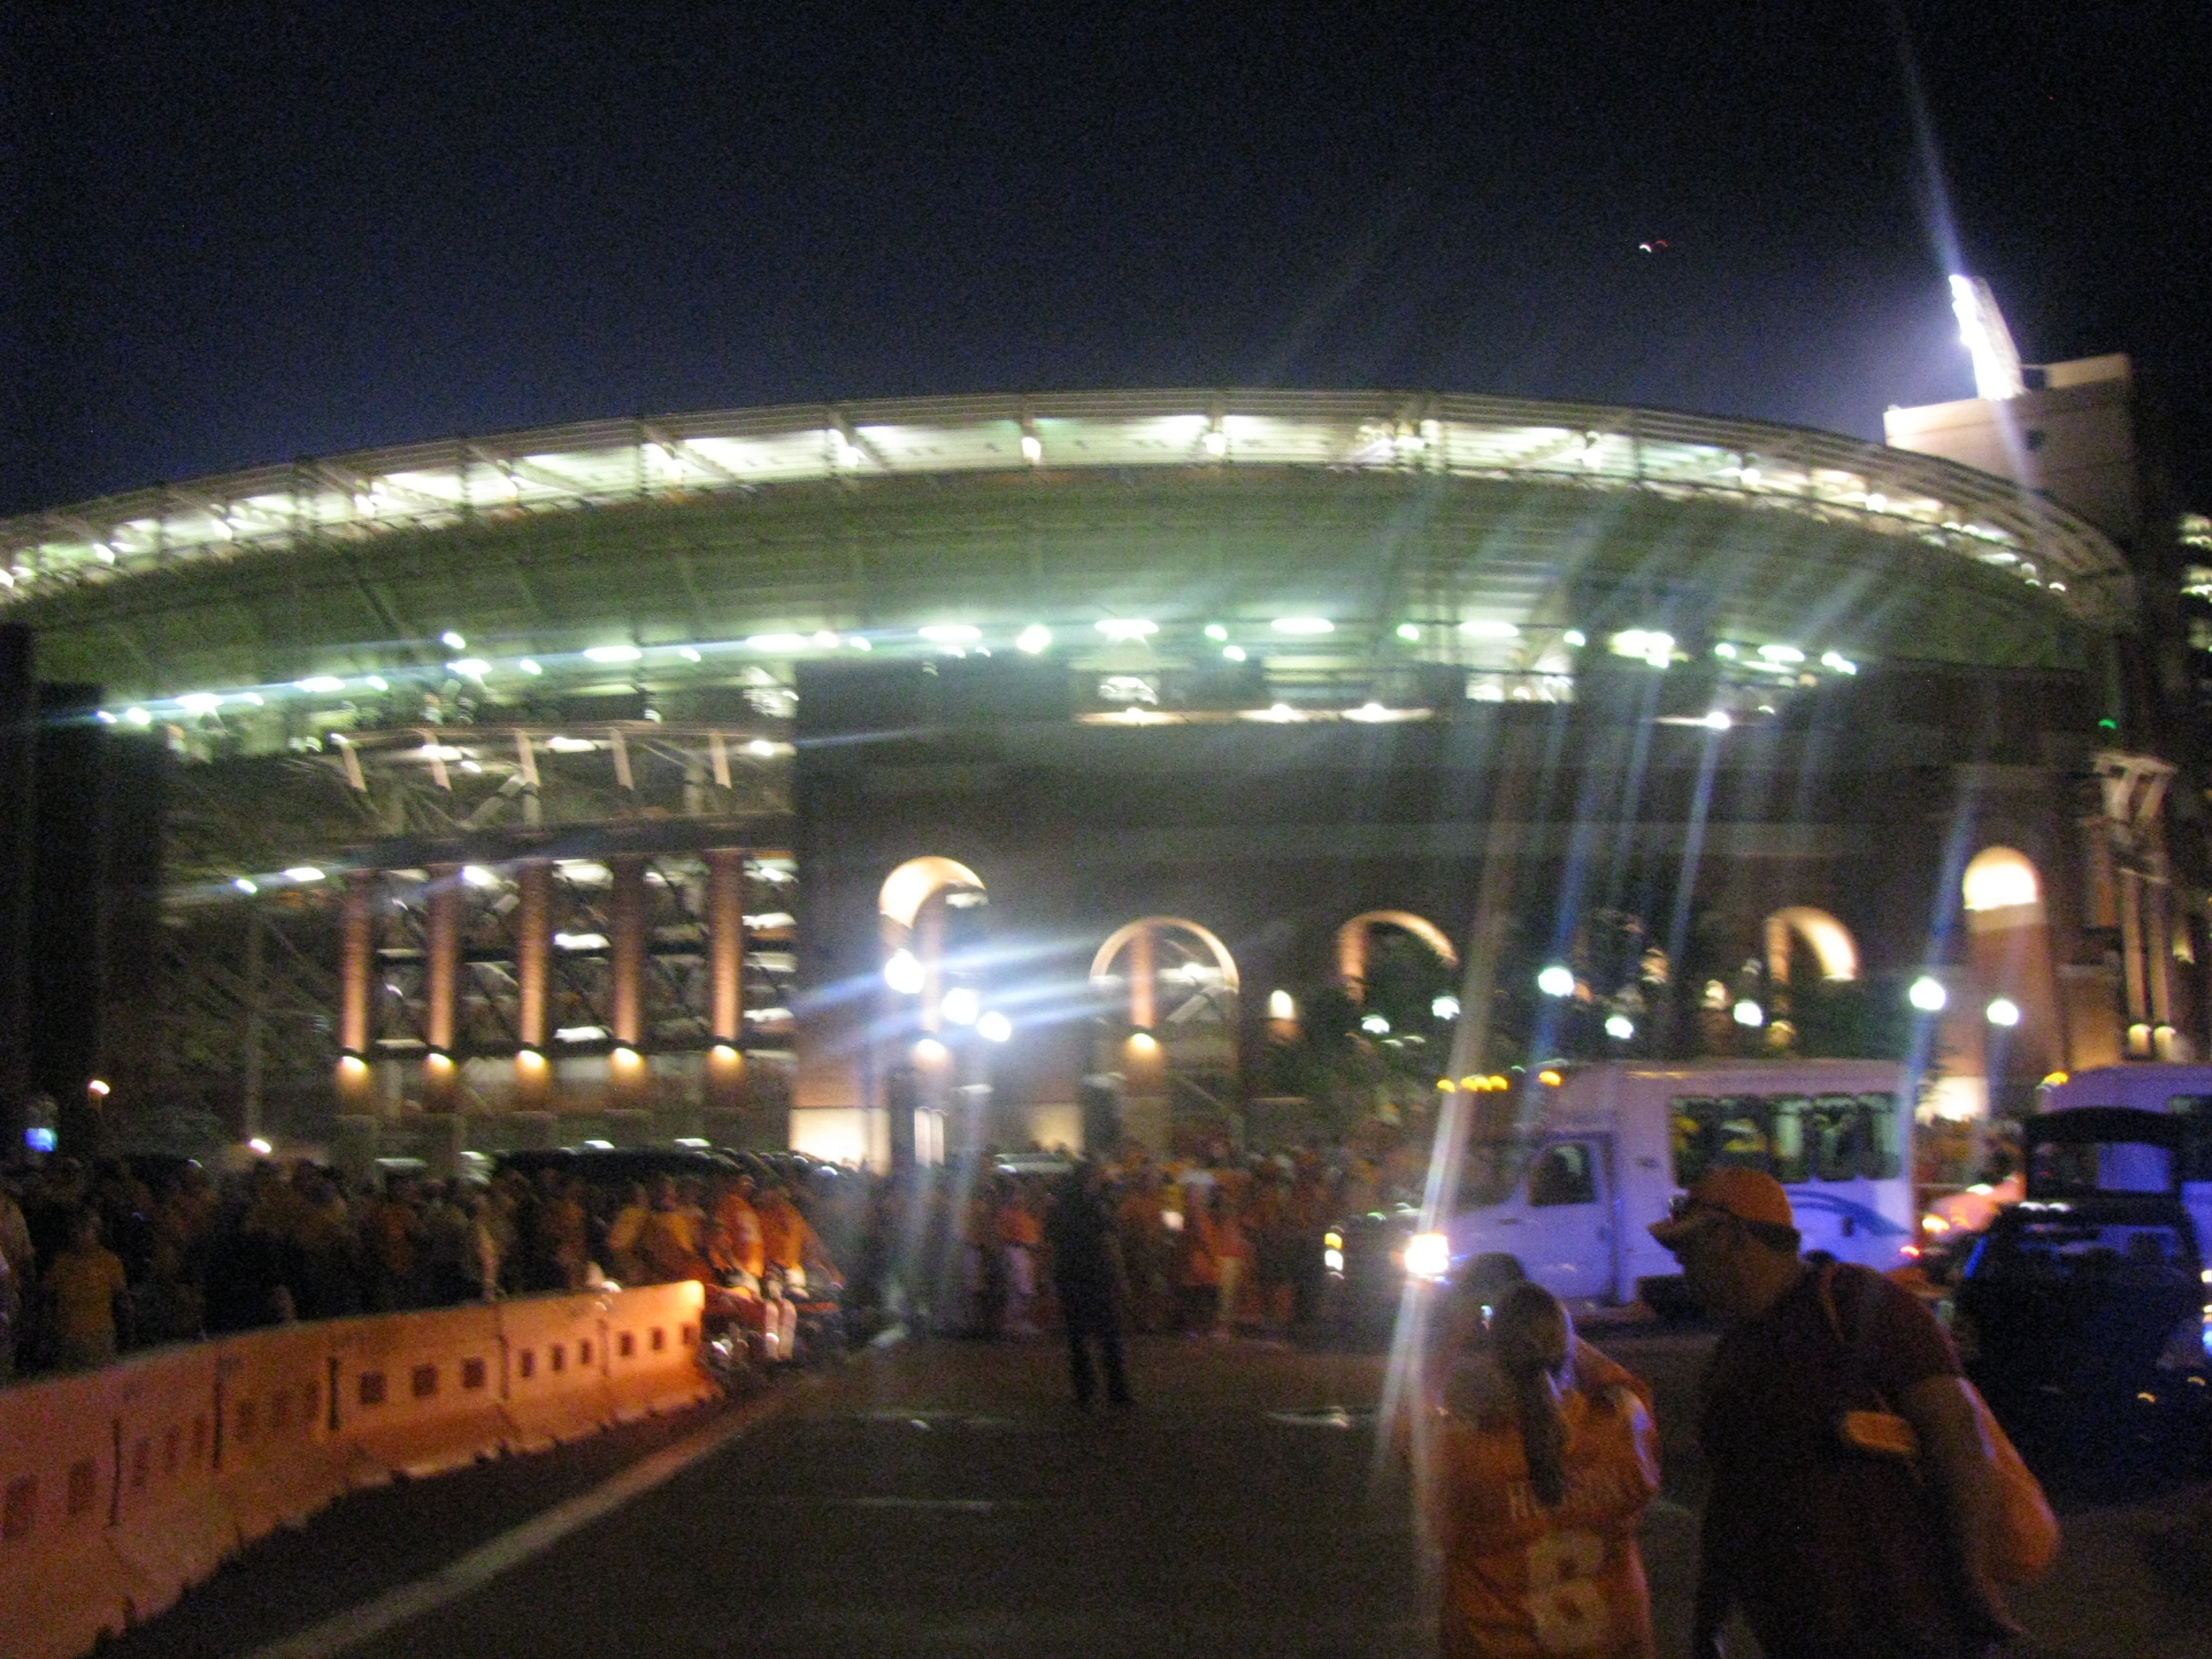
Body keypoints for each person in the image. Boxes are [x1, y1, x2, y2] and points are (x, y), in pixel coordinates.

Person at [1650, 1167, 2018, 1659]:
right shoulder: (1734, 1354)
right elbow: (1730, 1498)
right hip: (1799, 1633)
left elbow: (1958, 1436)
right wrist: (1710, 1616)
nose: (1683, 1272)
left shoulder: (1857, 1304)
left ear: (1730, 1238)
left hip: (1906, 1622)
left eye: (1687, 1254)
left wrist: (1973, 1576)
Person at [1417, 1278, 1660, 1659]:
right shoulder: (1621, 1429)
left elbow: (1410, 1427)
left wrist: (1452, 1336)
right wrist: (1558, 1336)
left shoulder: (1470, 1454)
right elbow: (1626, 1386)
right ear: (1567, 1349)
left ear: (1497, 1361)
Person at [1045, 1158, 1132, 1410]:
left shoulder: (1060, 1206)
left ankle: (1084, 1389)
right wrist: (1121, 1277)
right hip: (1096, 1273)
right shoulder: (1097, 1206)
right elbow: (1109, 1241)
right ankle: (1116, 1390)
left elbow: (1050, 1243)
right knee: (1108, 1334)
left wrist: (1049, 1276)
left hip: (1069, 1273)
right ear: (1091, 1179)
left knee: (1077, 1336)